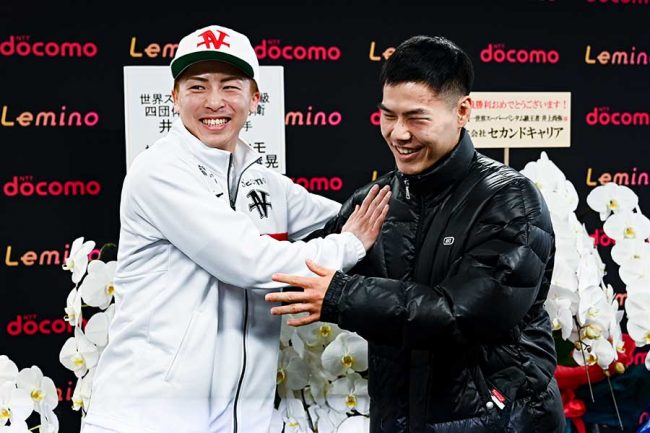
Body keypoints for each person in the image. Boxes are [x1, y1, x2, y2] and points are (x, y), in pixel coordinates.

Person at [81, 24, 390, 433]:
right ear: (174, 97)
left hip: (242, 421)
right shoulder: (159, 170)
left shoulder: (264, 181)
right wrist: (348, 246)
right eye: (197, 87)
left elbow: (350, 217)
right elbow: (251, 262)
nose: (214, 101)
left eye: (230, 86)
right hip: (146, 420)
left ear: (254, 98)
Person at [266, 35, 566, 433]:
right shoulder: (373, 201)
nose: (398, 133)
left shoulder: (510, 199)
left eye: (416, 118)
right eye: (388, 116)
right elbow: (294, 274)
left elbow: (464, 315)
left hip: (499, 422)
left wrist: (340, 295)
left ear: (462, 111)